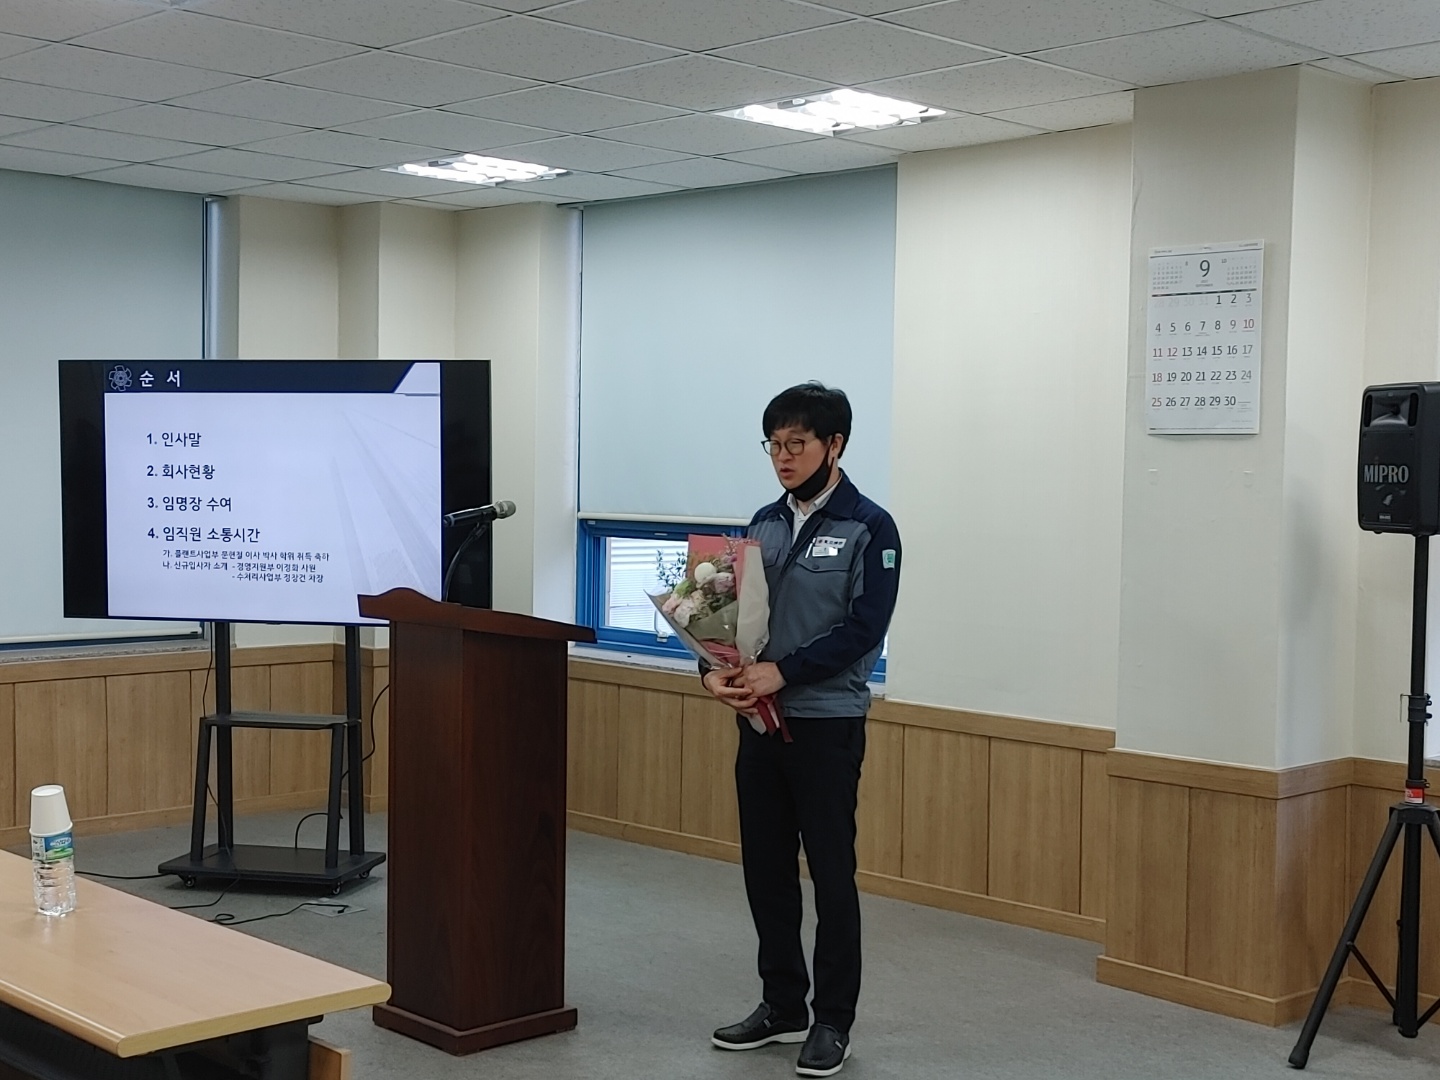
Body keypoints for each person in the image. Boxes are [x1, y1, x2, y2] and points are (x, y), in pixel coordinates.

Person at [702, 382, 902, 1078]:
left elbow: (863, 629)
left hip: (826, 726)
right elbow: (728, 619)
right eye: (774, 445)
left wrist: (782, 673)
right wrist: (714, 673)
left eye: (797, 444)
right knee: (766, 870)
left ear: (834, 445)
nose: (783, 457)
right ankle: (782, 1004)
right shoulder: (763, 524)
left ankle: (832, 1020)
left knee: (832, 875)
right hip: (759, 726)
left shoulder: (870, 527)